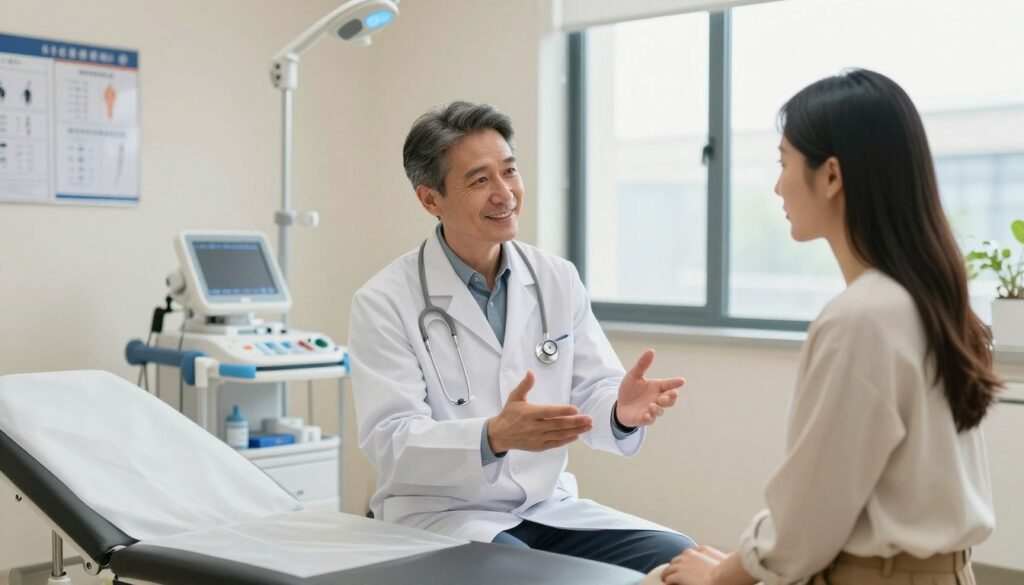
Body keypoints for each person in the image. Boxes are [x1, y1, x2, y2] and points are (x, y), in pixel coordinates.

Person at [658, 69, 1000, 585]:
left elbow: (807, 519)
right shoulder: (926, 300)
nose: (777, 184)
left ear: (832, 175)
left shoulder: (863, 318)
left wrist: (718, 576)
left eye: (784, 162)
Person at [349, 101, 696, 573]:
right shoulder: (384, 301)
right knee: (524, 573)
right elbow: (389, 440)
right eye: (479, 180)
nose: (505, 193)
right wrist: (492, 436)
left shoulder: (555, 277)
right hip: (442, 514)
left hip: (545, 506)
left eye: (509, 171)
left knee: (682, 562)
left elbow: (591, 390)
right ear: (431, 199)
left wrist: (619, 410)